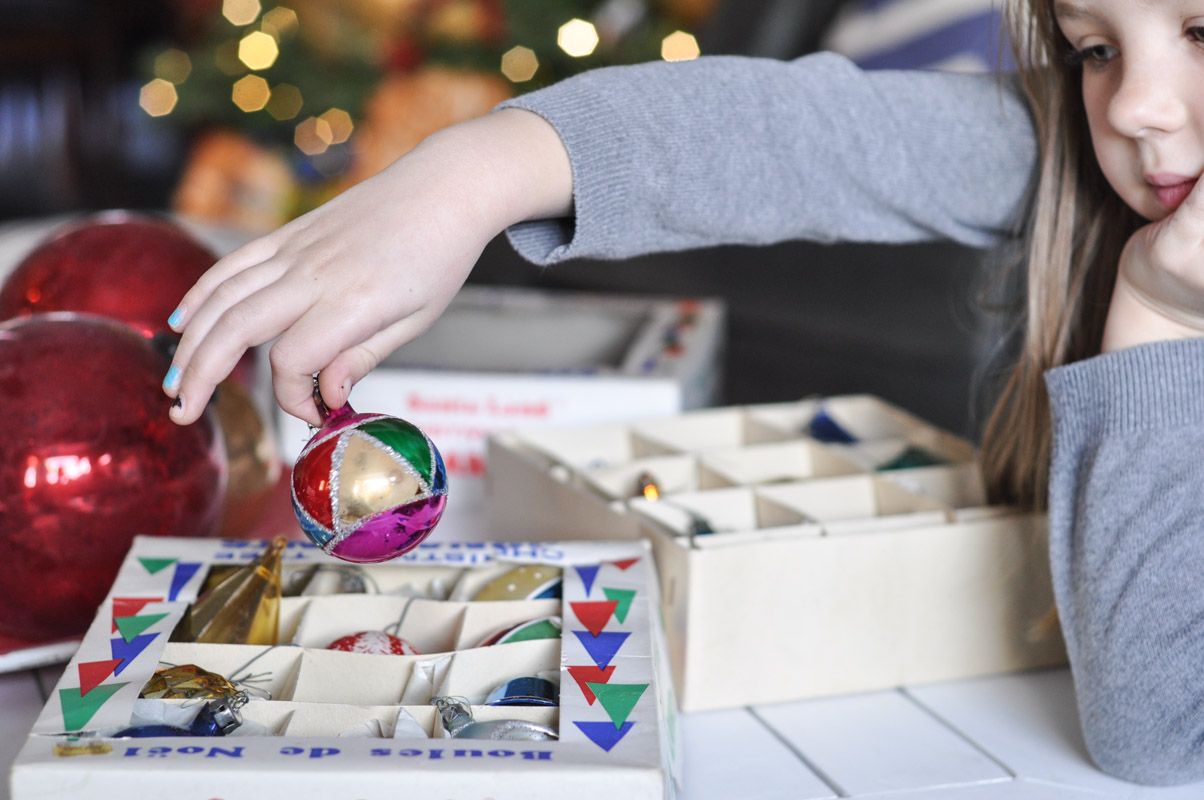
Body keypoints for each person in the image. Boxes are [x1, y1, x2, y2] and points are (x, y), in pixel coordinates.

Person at [162, 0, 1204, 785]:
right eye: (1092, 48)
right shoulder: (1062, 145)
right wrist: (462, 179)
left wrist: (1156, 316)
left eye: (1197, 29)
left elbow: (1149, 736)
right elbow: (795, 132)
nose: (1135, 107)